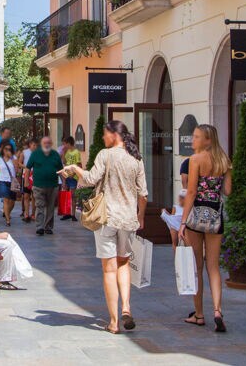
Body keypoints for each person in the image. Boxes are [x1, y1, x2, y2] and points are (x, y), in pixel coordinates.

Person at [63, 120, 147, 335]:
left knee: (109, 268)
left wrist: (74, 169)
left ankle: (113, 321)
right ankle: (126, 308)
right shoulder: (136, 159)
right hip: (128, 219)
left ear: (113, 135)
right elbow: (143, 194)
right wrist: (141, 216)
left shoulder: (105, 155)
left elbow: (90, 179)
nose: (102, 138)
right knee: (124, 263)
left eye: (104, 134)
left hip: (106, 217)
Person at [180, 124, 232, 333]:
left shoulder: (195, 160)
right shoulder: (224, 161)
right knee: (213, 266)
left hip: (197, 216)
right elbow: (227, 191)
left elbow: (191, 191)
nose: (193, 140)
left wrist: (183, 221)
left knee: (196, 267)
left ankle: (199, 314)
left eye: (197, 137)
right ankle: (218, 310)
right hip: (215, 216)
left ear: (207, 140)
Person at [26, 136, 64, 236]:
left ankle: (48, 227)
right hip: (38, 185)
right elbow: (28, 168)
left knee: (51, 207)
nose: (46, 144)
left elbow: (60, 170)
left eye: (48, 143)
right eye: (44, 143)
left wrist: (64, 182)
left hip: (53, 185)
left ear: (51, 144)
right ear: (41, 144)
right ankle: (39, 227)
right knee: (40, 206)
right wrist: (26, 181)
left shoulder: (55, 154)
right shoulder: (35, 154)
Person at [0, 143, 19, 227]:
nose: (7, 151)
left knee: (12, 201)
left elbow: (17, 170)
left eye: (9, 149)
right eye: (6, 149)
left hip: (12, 182)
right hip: (2, 181)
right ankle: (8, 220)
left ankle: (7, 212)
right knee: (6, 200)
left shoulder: (14, 158)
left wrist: (12, 159)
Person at [59, 136, 82, 221]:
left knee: (73, 195)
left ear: (69, 143)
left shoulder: (76, 152)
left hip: (73, 176)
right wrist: (64, 153)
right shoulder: (66, 151)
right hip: (66, 175)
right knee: (66, 194)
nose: (63, 146)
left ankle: (73, 214)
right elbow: (64, 162)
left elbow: (79, 164)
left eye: (64, 144)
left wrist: (75, 173)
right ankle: (66, 213)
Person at [19, 139, 37, 222]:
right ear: (30, 144)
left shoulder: (39, 153)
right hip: (26, 174)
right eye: (33, 145)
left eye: (36, 145)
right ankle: (26, 214)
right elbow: (19, 163)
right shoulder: (24, 152)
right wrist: (26, 167)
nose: (35, 147)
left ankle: (33, 214)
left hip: (35, 175)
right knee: (26, 195)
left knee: (34, 196)